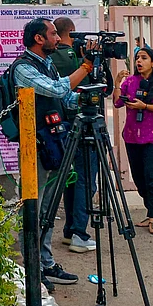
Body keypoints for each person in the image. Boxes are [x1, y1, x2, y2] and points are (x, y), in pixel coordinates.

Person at [13, 17, 93, 285]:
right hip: (34, 147)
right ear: (39, 39)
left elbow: (66, 97)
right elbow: (57, 88)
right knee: (33, 211)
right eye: (53, 34)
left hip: (52, 144)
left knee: (47, 210)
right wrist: (84, 66)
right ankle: (31, 270)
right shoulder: (24, 68)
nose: (58, 38)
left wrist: (91, 92)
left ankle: (45, 263)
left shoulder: (46, 65)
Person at [113, 47, 153, 235]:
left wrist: (146, 106)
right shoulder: (130, 82)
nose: (139, 61)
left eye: (144, 58)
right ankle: (152, 211)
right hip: (132, 137)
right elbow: (117, 102)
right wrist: (117, 83)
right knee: (140, 178)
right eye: (137, 58)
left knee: (152, 177)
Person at [49, 17, 98, 254]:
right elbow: (95, 88)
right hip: (80, 125)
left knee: (71, 179)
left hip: (59, 128)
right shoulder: (75, 59)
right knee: (85, 179)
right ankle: (79, 232)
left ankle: (70, 231)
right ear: (72, 32)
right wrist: (89, 60)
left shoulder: (48, 59)